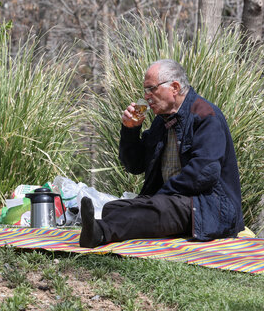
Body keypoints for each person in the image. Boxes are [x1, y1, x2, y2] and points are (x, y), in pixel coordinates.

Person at [80, 59, 244, 248]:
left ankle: (100, 234)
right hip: (171, 201)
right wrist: (130, 130)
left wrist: (160, 197)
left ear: (174, 87)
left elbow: (203, 173)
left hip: (208, 206)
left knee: (157, 208)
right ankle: (106, 227)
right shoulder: (162, 122)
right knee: (113, 208)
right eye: (145, 91)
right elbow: (134, 165)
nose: (146, 96)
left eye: (151, 89)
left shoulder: (206, 115)